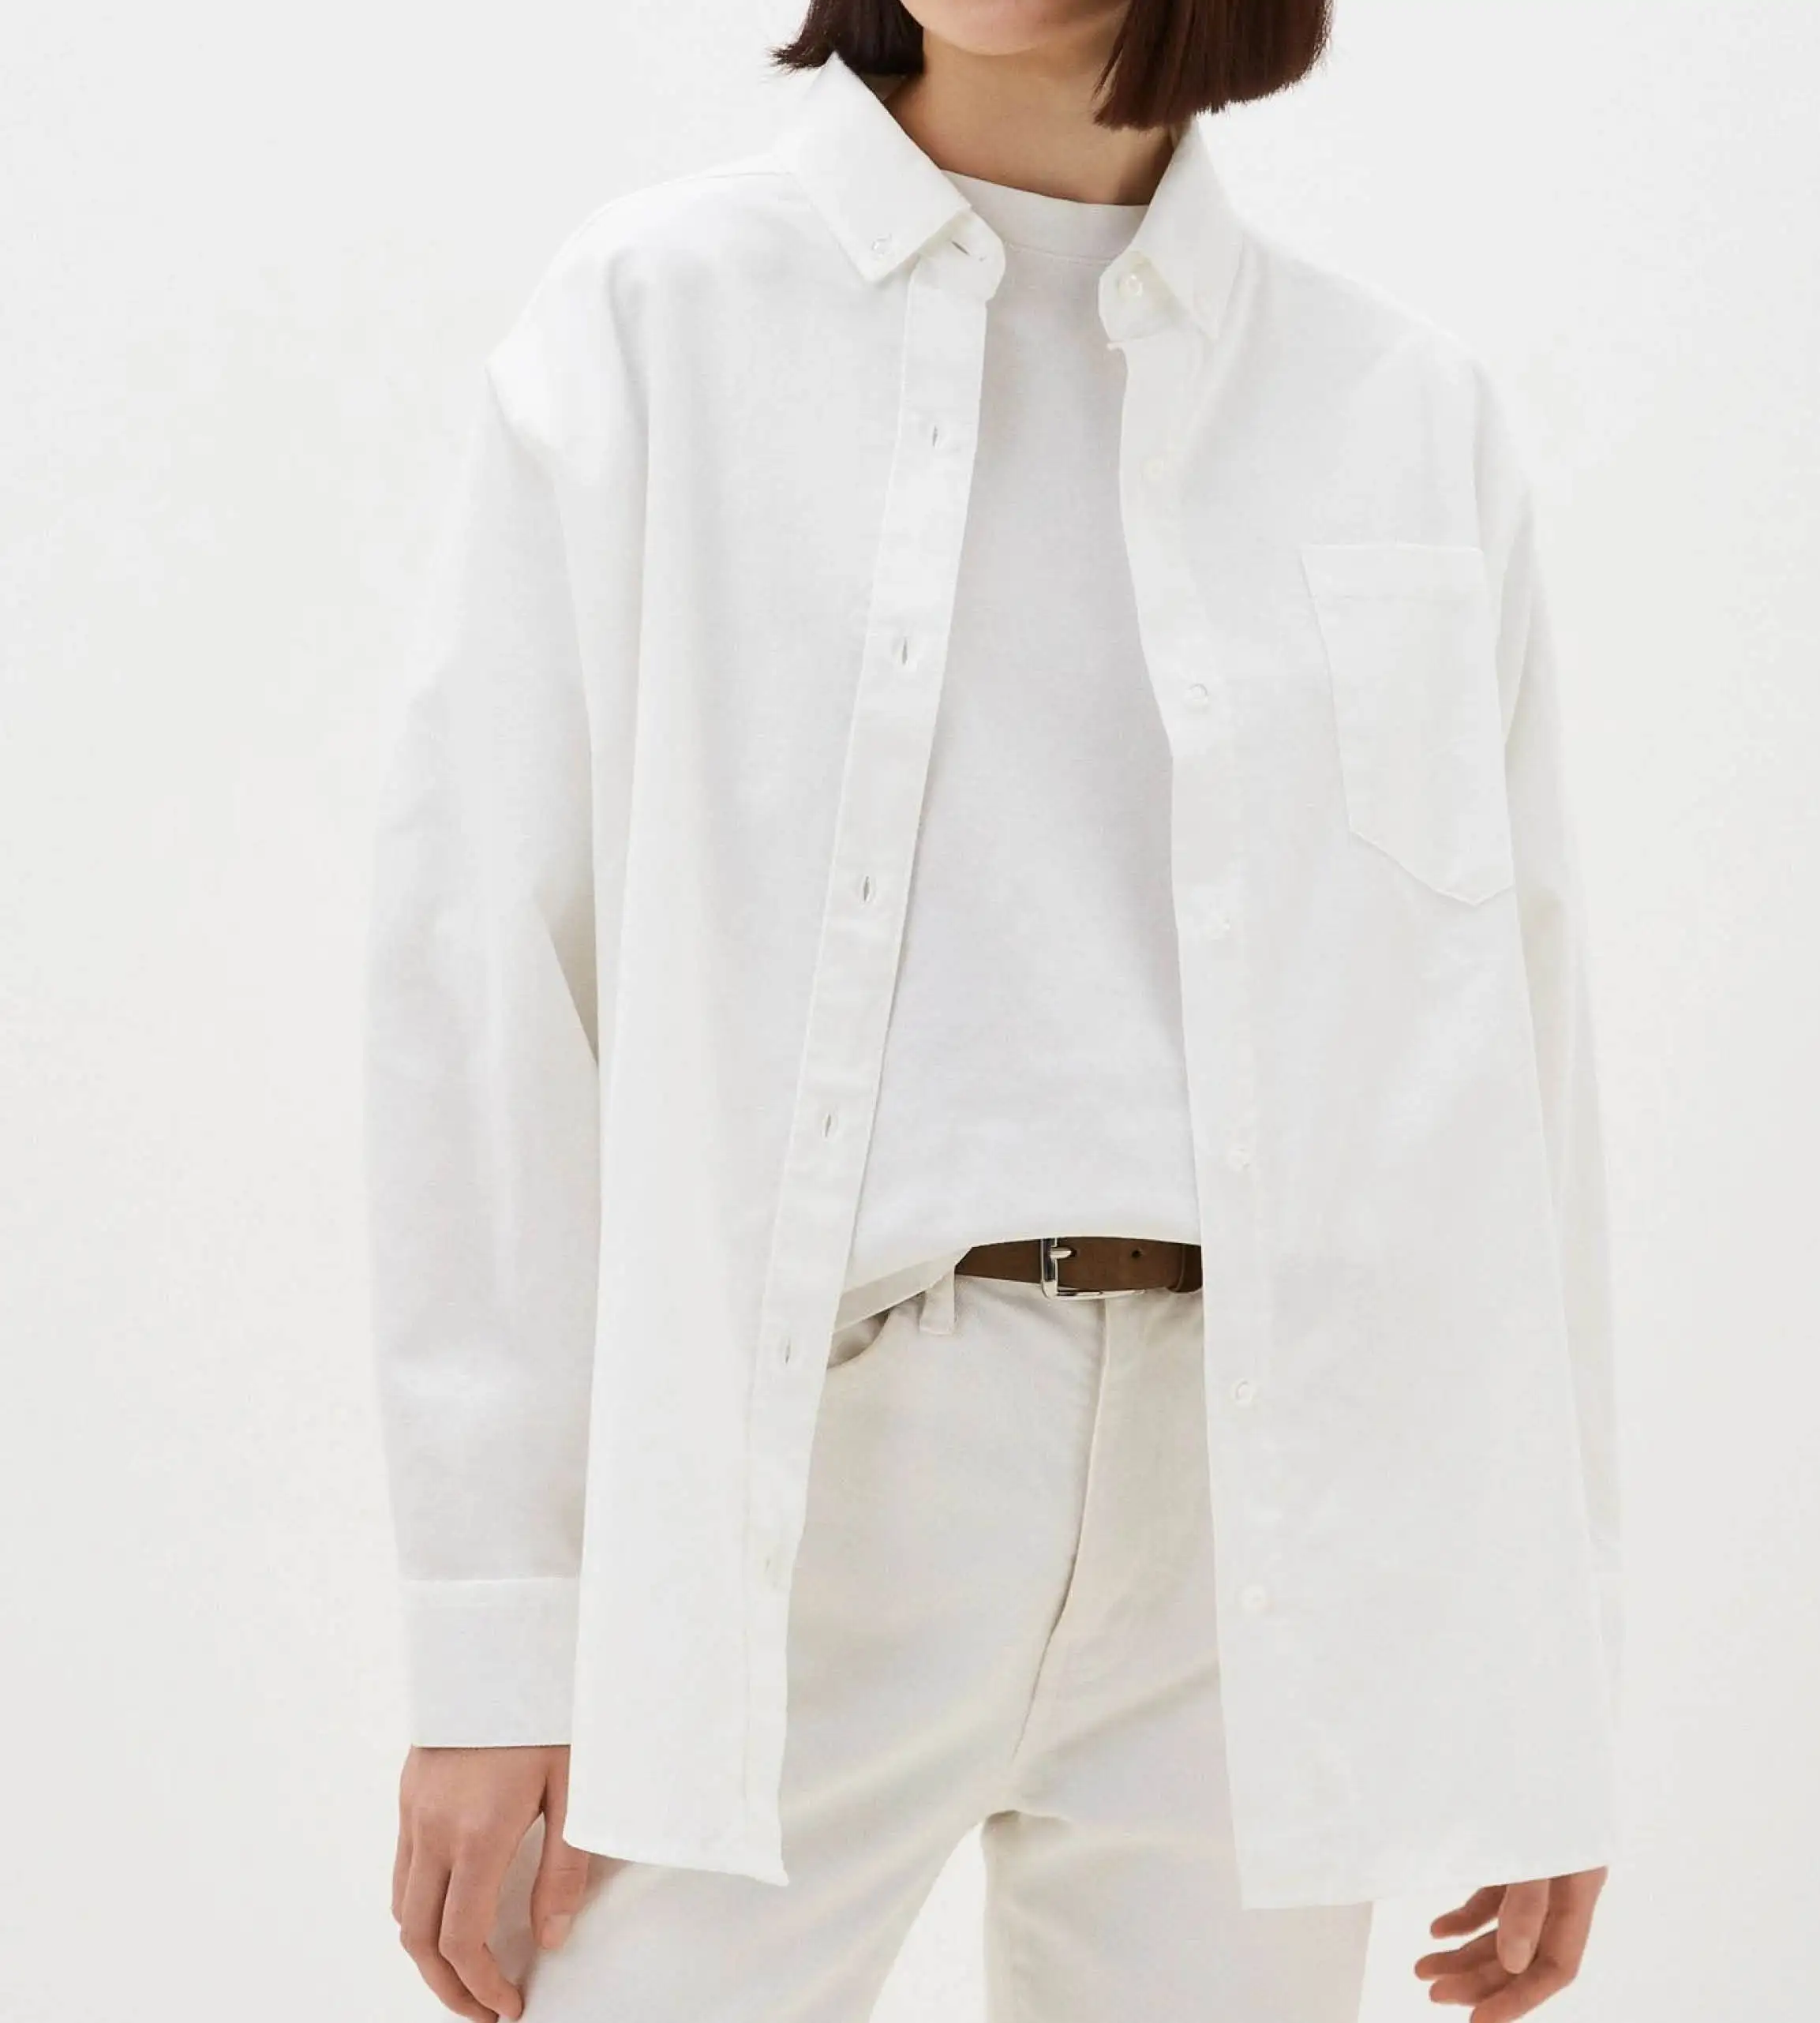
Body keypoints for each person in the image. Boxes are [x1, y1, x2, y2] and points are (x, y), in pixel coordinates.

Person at [363, 5, 1623, 2020]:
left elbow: (1509, 1063)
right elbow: (487, 973)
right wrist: (501, 1633)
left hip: (1257, 1534)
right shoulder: (660, 322)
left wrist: (1536, 1677)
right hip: (802, 1491)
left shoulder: (1403, 412)